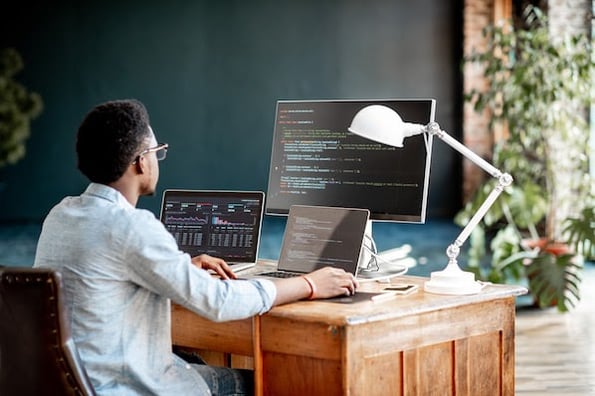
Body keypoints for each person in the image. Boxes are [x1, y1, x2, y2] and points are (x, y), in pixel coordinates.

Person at [33, 99, 359, 396]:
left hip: (72, 384)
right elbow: (217, 301)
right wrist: (309, 283)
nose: (158, 159)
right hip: (123, 386)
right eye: (157, 151)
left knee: (189, 358)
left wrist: (181, 269)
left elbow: (102, 277)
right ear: (141, 162)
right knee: (264, 382)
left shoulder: (61, 214)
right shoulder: (132, 225)